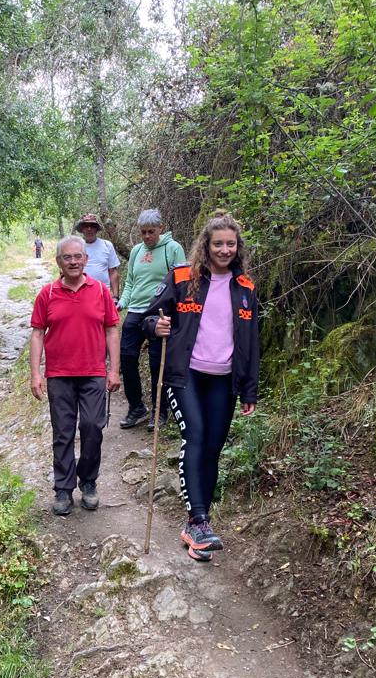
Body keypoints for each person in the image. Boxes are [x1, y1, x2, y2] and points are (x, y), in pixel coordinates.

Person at [142, 210, 259, 562]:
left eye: (230, 244)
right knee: (195, 435)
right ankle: (199, 519)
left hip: (224, 380)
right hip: (185, 374)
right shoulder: (182, 277)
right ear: (205, 245)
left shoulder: (246, 289)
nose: (224, 250)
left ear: (238, 248)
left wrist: (249, 390)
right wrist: (156, 327)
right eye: (218, 244)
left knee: (213, 448)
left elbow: (252, 343)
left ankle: (198, 528)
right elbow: (148, 318)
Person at [30, 236, 122, 515]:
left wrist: (114, 369)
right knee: (63, 432)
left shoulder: (101, 291)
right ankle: (63, 489)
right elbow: (37, 334)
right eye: (67, 257)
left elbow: (111, 330)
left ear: (86, 260)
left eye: (78, 257)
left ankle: (89, 482)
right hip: (58, 375)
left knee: (93, 427)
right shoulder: (47, 294)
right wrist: (36, 373)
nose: (73, 261)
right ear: (59, 261)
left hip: (93, 372)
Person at [116, 209, 186, 431]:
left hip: (160, 313)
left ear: (160, 229)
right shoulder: (137, 250)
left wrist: (179, 314)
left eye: (151, 232)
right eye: (143, 232)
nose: (147, 236)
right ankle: (136, 407)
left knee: (158, 363)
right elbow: (130, 282)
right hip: (135, 311)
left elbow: (182, 282)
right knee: (126, 358)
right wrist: (121, 303)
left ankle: (160, 411)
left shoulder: (173, 249)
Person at [74, 213, 120, 298]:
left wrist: (115, 296)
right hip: (80, 294)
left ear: (97, 229)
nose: (89, 229)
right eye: (86, 226)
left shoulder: (107, 245)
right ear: (82, 229)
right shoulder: (75, 247)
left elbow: (113, 272)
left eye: (92, 226)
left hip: (103, 294)